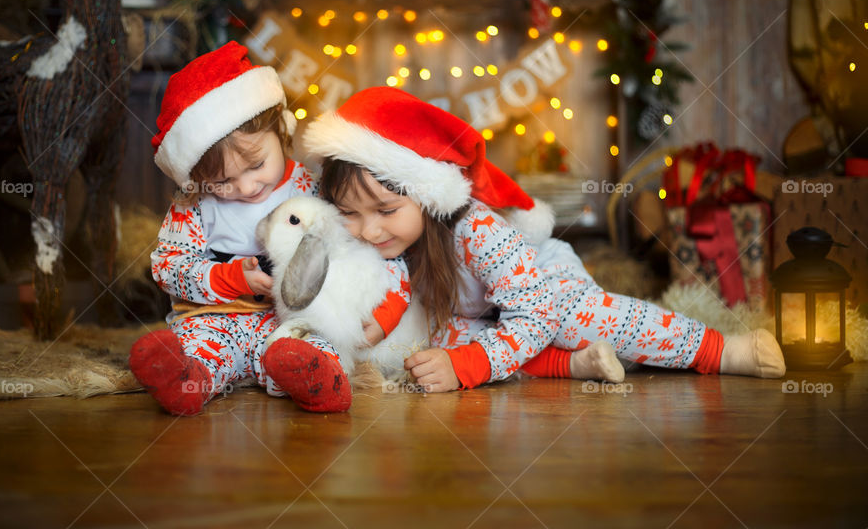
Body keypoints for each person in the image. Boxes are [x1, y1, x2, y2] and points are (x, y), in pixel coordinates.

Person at [300, 86, 786, 393]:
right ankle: (573, 368)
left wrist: (468, 367)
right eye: (349, 213)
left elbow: (533, 313)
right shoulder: (377, 239)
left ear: (429, 196)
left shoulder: (478, 231)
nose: (368, 230)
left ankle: (719, 350)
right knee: (437, 346)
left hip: (541, 284)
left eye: (385, 211)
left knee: (574, 318)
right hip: (478, 310)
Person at [128, 43, 410, 415]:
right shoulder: (193, 203)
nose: (245, 187)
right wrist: (229, 278)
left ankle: (315, 379)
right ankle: (187, 378)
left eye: (257, 164)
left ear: (282, 130)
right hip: (217, 317)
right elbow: (169, 268)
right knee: (202, 346)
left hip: (293, 320)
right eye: (221, 180)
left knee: (311, 345)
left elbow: (371, 248)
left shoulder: (313, 188)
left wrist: (386, 310)